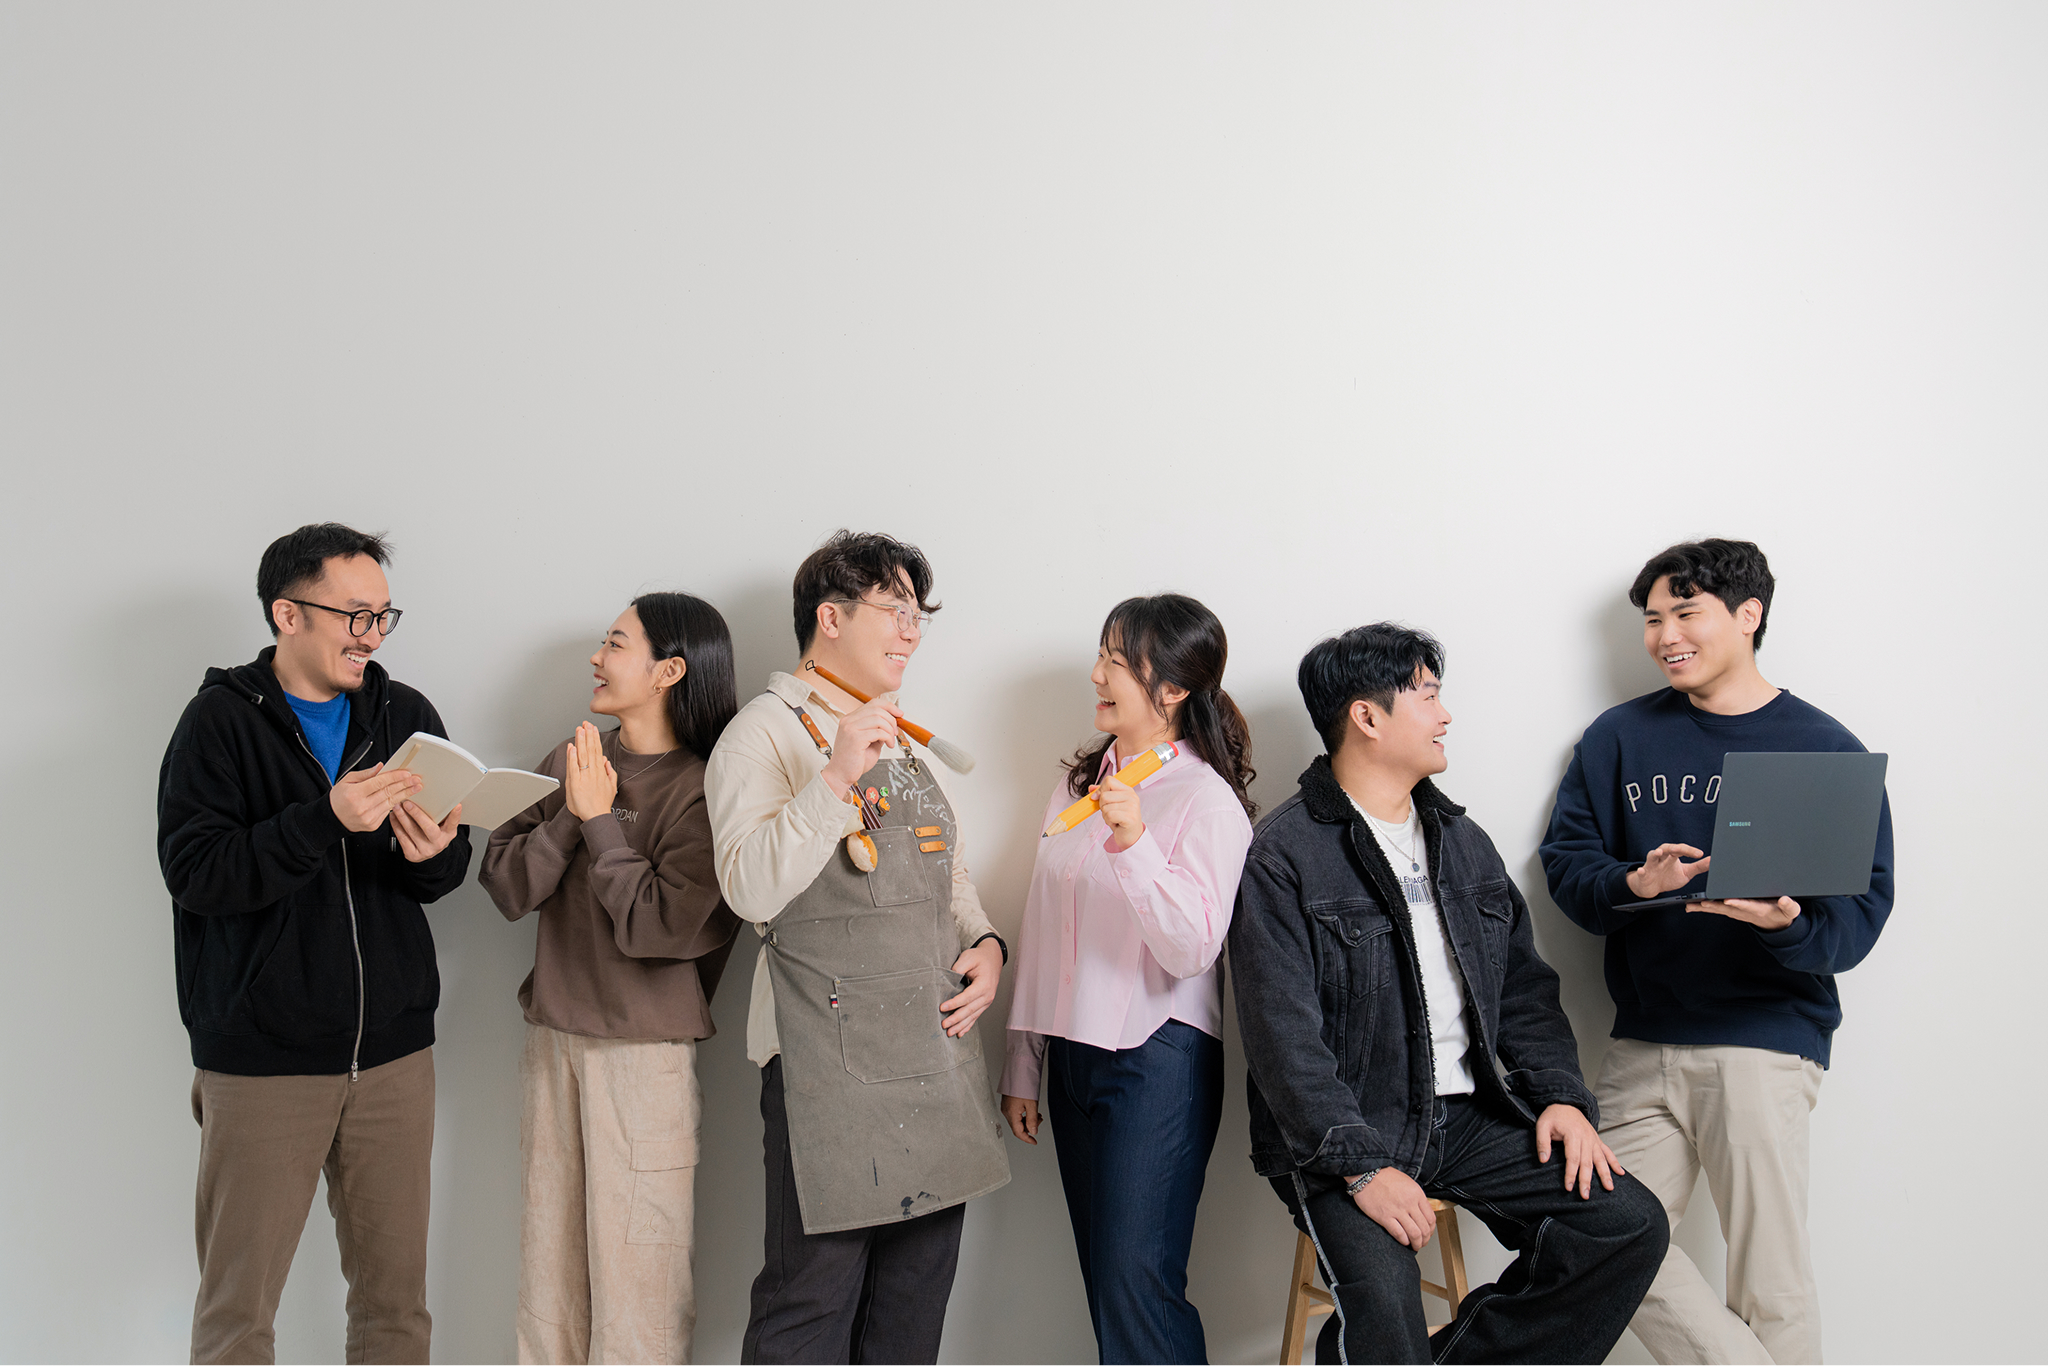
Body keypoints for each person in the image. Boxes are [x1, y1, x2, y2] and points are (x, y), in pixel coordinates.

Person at [1229, 623, 1668, 1365]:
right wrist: (1362, 1167)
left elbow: (1524, 992)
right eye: (1428, 696)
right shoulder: (1284, 855)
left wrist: (1561, 1097)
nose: (1446, 715)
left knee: (1625, 1224)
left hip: (1468, 1118)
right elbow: (1283, 1040)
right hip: (1348, 1133)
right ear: (1367, 717)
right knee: (1387, 1309)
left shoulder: (1463, 842)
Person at [1539, 539, 1894, 1365]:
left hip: (1763, 1041)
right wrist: (1635, 882)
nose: (1665, 636)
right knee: (1600, 1246)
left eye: (1685, 613)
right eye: (1652, 619)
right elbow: (1568, 868)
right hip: (1641, 1043)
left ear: (1748, 614)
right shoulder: (1618, 738)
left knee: (1771, 1280)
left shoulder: (1826, 750)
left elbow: (1859, 916)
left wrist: (1785, 924)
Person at [157, 523, 472, 1364]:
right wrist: (321, 820)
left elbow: (441, 876)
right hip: (264, 1063)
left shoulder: (406, 716)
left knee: (396, 1310)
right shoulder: (218, 723)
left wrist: (435, 857)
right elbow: (197, 874)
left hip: (395, 1057)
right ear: (287, 614)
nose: (372, 635)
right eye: (354, 615)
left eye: (383, 616)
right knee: (238, 1315)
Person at [704, 530, 1010, 1365]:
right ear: (829, 618)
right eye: (894, 610)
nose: (911, 632)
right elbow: (748, 889)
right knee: (809, 1306)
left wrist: (985, 942)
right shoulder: (760, 734)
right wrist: (835, 778)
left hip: (932, 1051)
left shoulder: (901, 739)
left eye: (919, 616)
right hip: (824, 1064)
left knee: (913, 1311)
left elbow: (946, 874)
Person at [479, 592, 743, 1364]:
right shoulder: (572, 761)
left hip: (643, 1061)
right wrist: (573, 810)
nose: (597, 658)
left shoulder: (705, 788)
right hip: (552, 1044)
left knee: (640, 1290)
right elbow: (505, 886)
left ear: (668, 671)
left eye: (616, 643)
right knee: (548, 1283)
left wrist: (599, 823)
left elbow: (661, 930)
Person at [999, 594, 1256, 1365]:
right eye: (1101, 657)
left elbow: (1193, 948)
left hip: (1158, 1060)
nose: (1096, 675)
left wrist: (1135, 838)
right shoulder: (1079, 785)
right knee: (1108, 1287)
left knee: (1137, 1284)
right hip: (1073, 1059)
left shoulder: (1207, 801)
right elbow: (1042, 924)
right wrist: (1023, 1062)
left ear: (1171, 688)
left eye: (1115, 661)